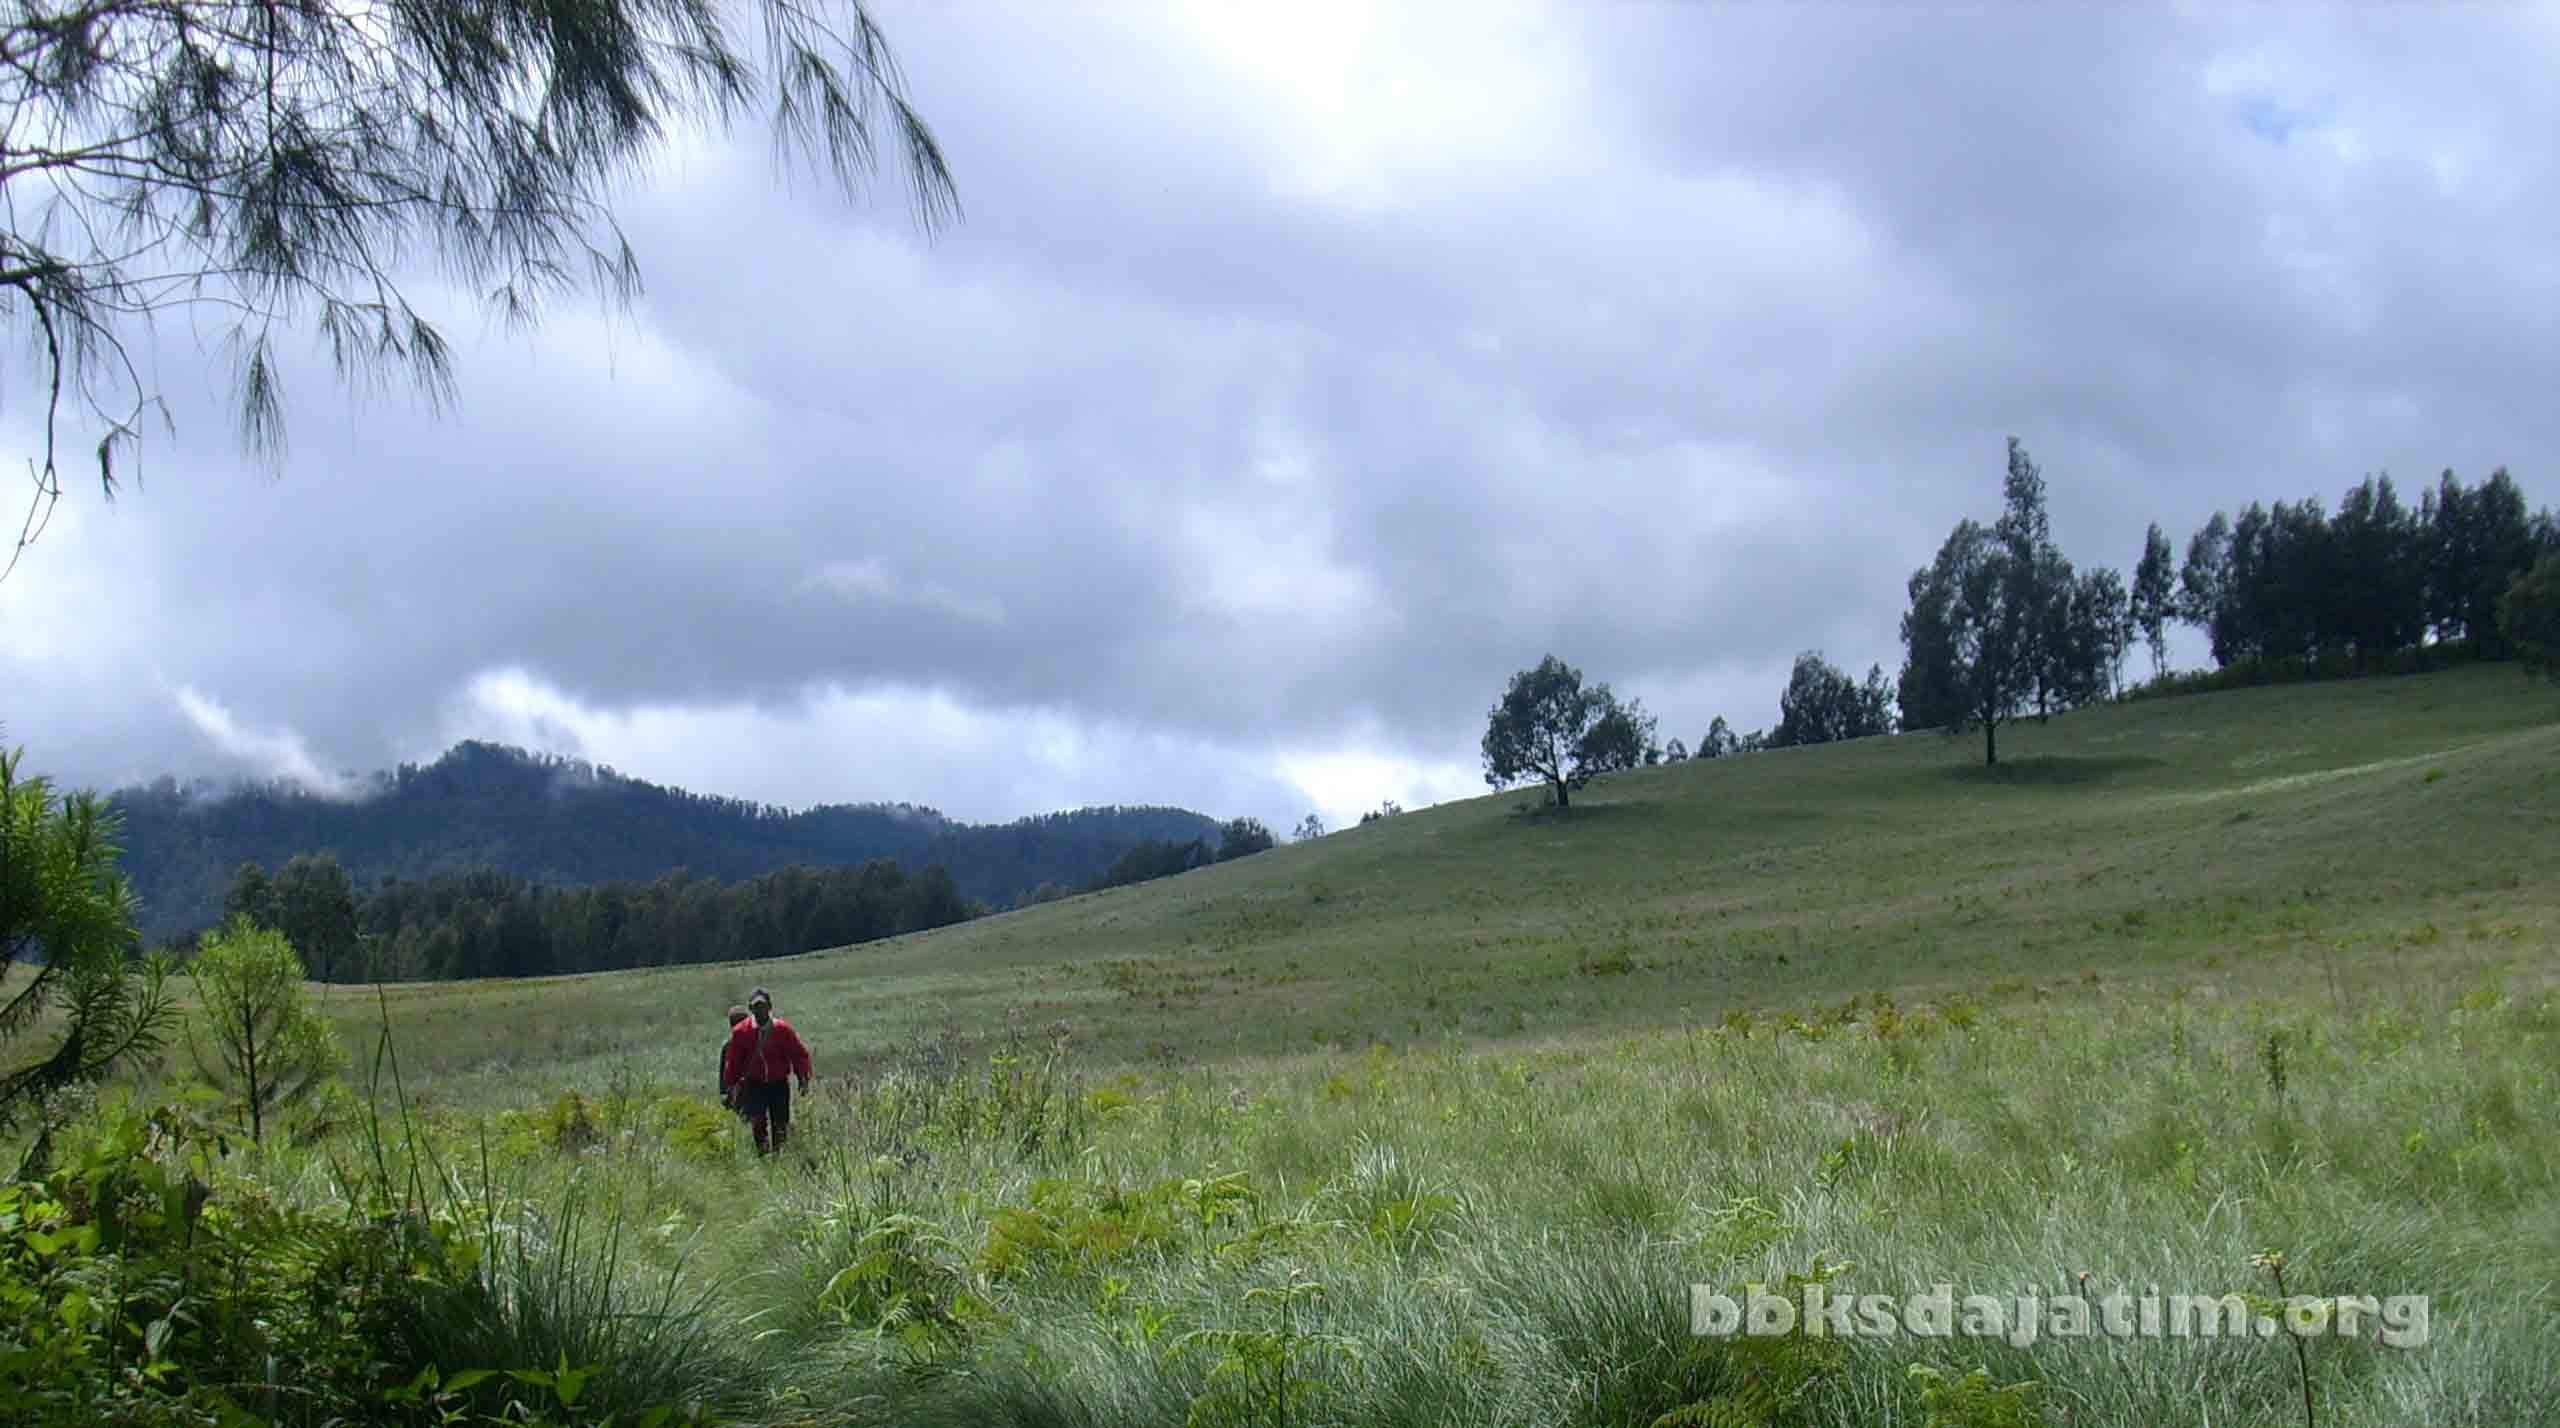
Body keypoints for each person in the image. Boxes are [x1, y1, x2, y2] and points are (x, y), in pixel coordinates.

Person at [720, 987, 812, 1155]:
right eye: (755, 1007)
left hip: (778, 1083)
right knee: (758, 1121)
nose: (759, 1010)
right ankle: (763, 1155)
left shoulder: (782, 1029)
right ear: (751, 1008)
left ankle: (779, 1156)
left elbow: (798, 1054)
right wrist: (730, 1086)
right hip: (755, 1084)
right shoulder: (741, 1032)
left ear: (769, 1006)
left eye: (762, 1006)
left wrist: (803, 1079)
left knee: (780, 1122)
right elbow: (733, 1062)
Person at [719, 1005, 750, 1114]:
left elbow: (723, 1071)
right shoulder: (728, 1045)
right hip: (740, 1089)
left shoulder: (728, 1045)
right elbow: (724, 1070)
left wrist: (724, 1091)